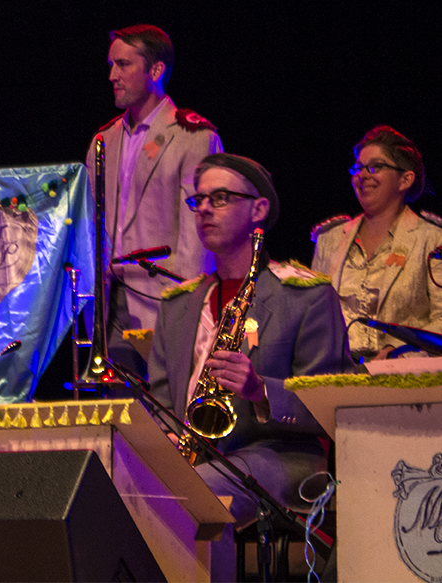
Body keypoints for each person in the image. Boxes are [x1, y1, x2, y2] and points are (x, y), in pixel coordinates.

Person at [147, 154, 355, 581]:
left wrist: (262, 389)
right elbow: (160, 400)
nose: (204, 208)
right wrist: (163, 432)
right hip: (198, 456)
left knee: (196, 491)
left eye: (220, 198)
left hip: (280, 456)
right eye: (199, 199)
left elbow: (333, 407)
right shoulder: (177, 305)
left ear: (258, 209)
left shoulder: (307, 296)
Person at [86, 24, 223, 371]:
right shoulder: (104, 139)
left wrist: (188, 310)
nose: (112, 75)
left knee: (165, 415)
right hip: (110, 303)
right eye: (111, 65)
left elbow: (199, 238)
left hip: (163, 301)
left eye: (123, 65)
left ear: (156, 70)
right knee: (117, 414)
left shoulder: (191, 136)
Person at [312, 125, 442, 362]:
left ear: (405, 179)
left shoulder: (433, 239)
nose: (362, 175)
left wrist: (401, 351)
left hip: (403, 377)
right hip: (337, 375)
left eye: (375, 167)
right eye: (358, 167)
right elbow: (312, 316)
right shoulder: (329, 239)